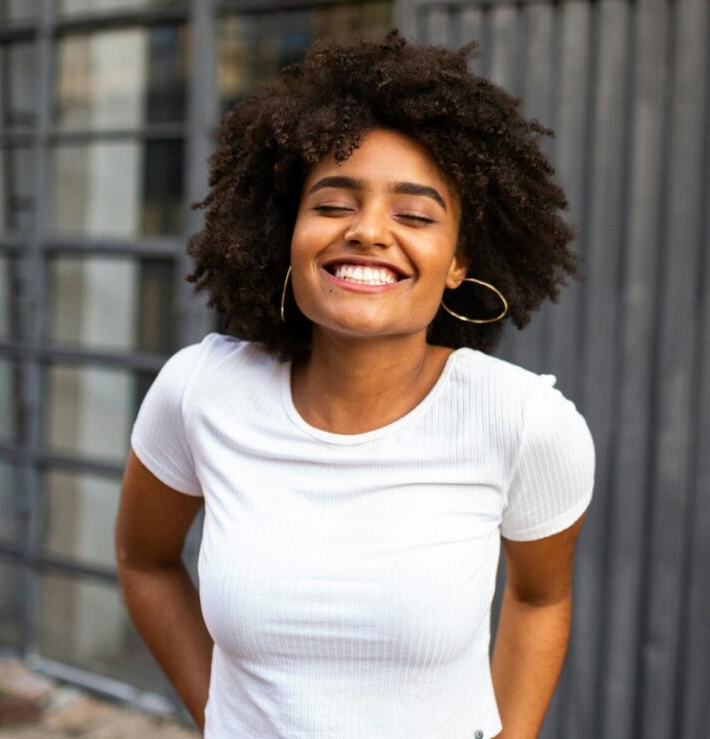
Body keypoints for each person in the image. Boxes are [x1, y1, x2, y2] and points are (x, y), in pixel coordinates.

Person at [115, 28, 595, 739]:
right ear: (288, 232)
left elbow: (540, 599)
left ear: (459, 259)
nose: (369, 231)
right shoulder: (200, 391)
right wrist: (218, 713)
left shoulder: (523, 422)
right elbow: (144, 560)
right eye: (334, 204)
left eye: (414, 213)